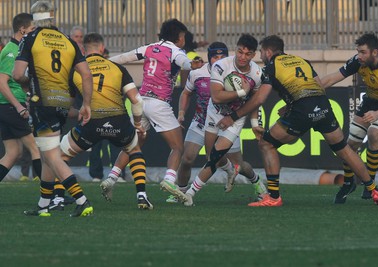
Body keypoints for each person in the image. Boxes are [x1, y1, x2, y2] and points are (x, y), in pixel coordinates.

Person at [217, 35, 378, 207]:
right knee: (344, 149)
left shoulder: (271, 67)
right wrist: (290, 104)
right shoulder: (302, 61)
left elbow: (259, 99)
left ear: (268, 52)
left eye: (261, 52)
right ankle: (374, 190)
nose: (261, 56)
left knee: (266, 144)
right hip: (322, 105)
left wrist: (232, 117)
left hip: (302, 110)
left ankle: (274, 197)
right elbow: (316, 86)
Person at [13, 0, 94, 217]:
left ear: (34, 19)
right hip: (63, 103)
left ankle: (82, 200)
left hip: (42, 103)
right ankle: (43, 205)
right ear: (53, 17)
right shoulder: (69, 41)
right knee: (47, 152)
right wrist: (86, 104)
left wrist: (32, 81)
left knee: (52, 155)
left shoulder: (30, 38)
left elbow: (18, 74)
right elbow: (86, 74)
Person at [104, 18, 197, 199]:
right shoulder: (175, 51)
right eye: (183, 36)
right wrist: (193, 64)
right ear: (179, 37)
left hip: (139, 101)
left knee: (133, 145)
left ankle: (110, 179)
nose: (184, 40)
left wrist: (102, 62)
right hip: (158, 103)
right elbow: (185, 62)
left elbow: (124, 58)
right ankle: (169, 180)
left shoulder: (148, 47)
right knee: (178, 146)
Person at [168, 34, 264, 206]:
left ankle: (258, 184)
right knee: (204, 157)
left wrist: (255, 124)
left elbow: (255, 102)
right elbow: (217, 97)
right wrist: (243, 92)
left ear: (253, 55)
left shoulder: (257, 73)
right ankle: (184, 190)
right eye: (240, 52)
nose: (242, 57)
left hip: (234, 118)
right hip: (211, 115)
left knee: (230, 161)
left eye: (247, 54)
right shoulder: (217, 67)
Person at [61, 32, 152, 210]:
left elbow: (68, 108)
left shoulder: (76, 71)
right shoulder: (117, 68)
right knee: (134, 149)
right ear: (102, 48)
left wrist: (77, 112)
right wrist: (138, 124)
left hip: (90, 123)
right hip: (119, 122)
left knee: (60, 156)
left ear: (83, 49)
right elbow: (137, 100)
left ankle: (60, 198)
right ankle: (142, 196)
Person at [321, 33, 378, 203]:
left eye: (363, 52)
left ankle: (368, 183)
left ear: (375, 52)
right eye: (358, 52)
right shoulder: (357, 61)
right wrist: (309, 90)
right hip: (370, 102)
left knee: (373, 133)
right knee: (349, 145)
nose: (359, 56)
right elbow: (332, 78)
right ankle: (349, 182)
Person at [0, 13, 41, 183]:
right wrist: (18, 106)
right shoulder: (12, 51)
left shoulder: (19, 48)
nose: (34, 32)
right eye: (32, 29)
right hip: (9, 107)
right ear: (22, 29)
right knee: (35, 148)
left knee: (13, 152)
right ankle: (50, 195)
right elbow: (2, 82)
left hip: (6, 107)